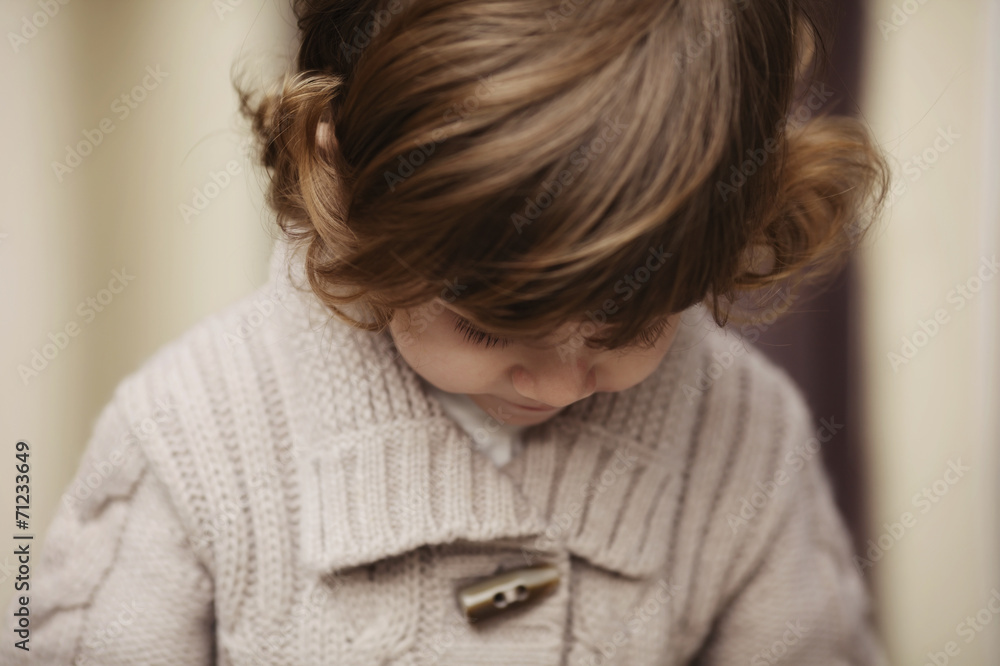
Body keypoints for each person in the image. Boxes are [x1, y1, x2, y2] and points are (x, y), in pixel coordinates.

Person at [2, 0, 891, 663]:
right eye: (486, 324)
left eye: (630, 325)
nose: (555, 382)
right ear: (341, 175)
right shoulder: (187, 441)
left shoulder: (744, 436)